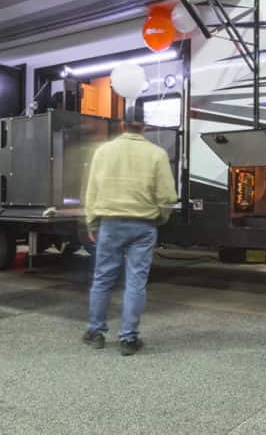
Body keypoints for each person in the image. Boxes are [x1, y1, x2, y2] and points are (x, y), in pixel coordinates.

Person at [82, 118, 178, 356]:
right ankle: (128, 338)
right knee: (136, 282)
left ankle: (95, 333)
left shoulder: (103, 152)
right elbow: (167, 197)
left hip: (110, 224)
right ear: (144, 127)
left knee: (103, 278)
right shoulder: (157, 154)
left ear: (122, 125)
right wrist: (159, 218)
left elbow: (92, 192)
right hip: (143, 225)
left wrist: (92, 223)